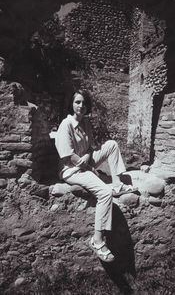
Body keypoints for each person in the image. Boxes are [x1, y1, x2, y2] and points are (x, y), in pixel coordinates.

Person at [55, 90, 136, 263]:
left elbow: (91, 148)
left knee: (112, 145)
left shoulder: (86, 123)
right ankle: (97, 240)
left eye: (84, 103)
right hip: (72, 170)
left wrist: (88, 156)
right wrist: (90, 168)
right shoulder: (66, 125)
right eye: (77, 102)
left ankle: (117, 184)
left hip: (86, 162)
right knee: (105, 194)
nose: (81, 106)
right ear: (71, 104)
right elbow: (67, 156)